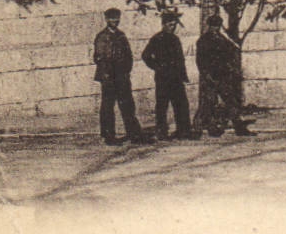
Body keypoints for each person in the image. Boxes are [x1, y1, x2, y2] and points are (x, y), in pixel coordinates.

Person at [93, 8, 148, 145]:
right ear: (106, 20)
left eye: (117, 18)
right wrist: (107, 74)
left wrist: (126, 70)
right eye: (111, 18)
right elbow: (99, 58)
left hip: (122, 76)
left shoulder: (121, 35)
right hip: (108, 77)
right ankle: (108, 136)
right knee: (108, 106)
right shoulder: (101, 37)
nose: (115, 21)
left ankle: (134, 134)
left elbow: (128, 55)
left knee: (128, 105)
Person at [141, 10, 196, 141]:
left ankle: (183, 131)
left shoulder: (175, 39)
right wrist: (157, 67)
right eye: (170, 25)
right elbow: (145, 56)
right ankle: (162, 132)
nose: (173, 27)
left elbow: (180, 59)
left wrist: (183, 75)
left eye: (174, 25)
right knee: (162, 105)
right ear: (164, 24)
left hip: (176, 78)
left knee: (181, 104)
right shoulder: (156, 39)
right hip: (163, 78)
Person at [195, 15, 253, 137]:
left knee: (231, 102)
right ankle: (201, 128)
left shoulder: (222, 39)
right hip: (210, 77)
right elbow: (200, 61)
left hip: (223, 76)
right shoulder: (203, 40)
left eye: (217, 26)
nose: (215, 29)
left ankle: (239, 128)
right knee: (208, 104)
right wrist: (206, 75)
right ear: (209, 26)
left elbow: (231, 51)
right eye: (213, 26)